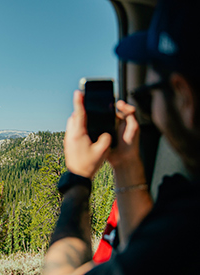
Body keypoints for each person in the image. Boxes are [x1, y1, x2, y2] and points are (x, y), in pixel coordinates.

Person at [44, 0, 200, 274]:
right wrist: (126, 163)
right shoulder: (180, 224)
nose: (147, 109)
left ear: (184, 97)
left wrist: (78, 179)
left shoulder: (188, 226)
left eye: (148, 95)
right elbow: (147, 256)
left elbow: (59, 270)